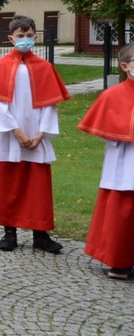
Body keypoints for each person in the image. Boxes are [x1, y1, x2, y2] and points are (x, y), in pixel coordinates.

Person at [0, 15, 70, 253]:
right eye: (21, 36)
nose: (25, 40)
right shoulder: (1, 66)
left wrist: (41, 134)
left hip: (36, 135)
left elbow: (50, 104)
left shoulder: (45, 67)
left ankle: (40, 234)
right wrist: (16, 131)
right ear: (11, 38)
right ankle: (10, 233)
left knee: (36, 186)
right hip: (9, 135)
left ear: (36, 37)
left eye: (29, 36)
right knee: (9, 183)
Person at [77, 42, 134, 280]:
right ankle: (119, 262)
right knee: (123, 210)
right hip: (125, 162)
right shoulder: (112, 95)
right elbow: (103, 128)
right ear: (125, 66)